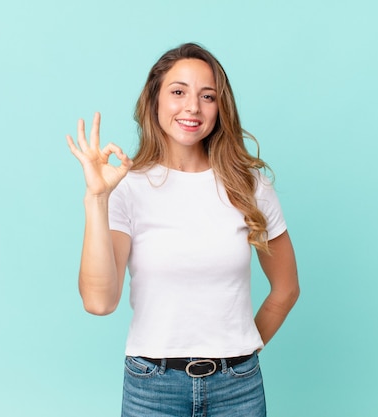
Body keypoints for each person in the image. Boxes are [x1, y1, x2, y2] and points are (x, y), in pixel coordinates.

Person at [66, 42, 299, 417]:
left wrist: (241, 356)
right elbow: (99, 302)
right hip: (151, 389)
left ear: (221, 108)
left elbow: (287, 289)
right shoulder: (126, 186)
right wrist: (97, 199)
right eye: (178, 92)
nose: (192, 107)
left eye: (208, 96)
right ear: (154, 100)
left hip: (238, 390)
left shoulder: (250, 185)